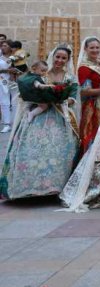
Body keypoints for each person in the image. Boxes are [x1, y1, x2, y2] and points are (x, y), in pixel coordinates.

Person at [0, 46, 79, 200]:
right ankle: (30, 188)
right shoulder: (42, 73)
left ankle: (54, 189)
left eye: (63, 58)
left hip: (59, 116)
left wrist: (65, 100)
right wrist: (38, 98)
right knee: (32, 149)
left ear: (67, 60)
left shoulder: (69, 78)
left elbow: (73, 96)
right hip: (38, 116)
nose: (60, 60)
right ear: (52, 56)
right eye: (58, 57)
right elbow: (28, 90)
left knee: (58, 151)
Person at [77, 37, 100, 153]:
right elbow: (84, 91)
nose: (95, 50)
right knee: (94, 132)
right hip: (93, 105)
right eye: (92, 47)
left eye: (97, 47)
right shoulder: (84, 68)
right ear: (86, 49)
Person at [0, 39, 20, 133]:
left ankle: (15, 123)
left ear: (10, 47)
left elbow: (23, 68)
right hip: (2, 80)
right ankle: (6, 124)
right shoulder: (0, 57)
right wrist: (7, 71)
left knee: (15, 101)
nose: (3, 47)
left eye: (5, 46)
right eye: (2, 46)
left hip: (14, 81)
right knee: (4, 102)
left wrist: (16, 71)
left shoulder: (16, 57)